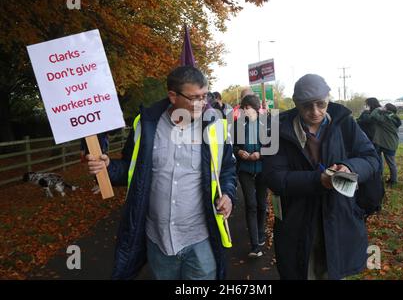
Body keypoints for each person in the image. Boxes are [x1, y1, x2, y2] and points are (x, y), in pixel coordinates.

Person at [87, 66, 237, 279]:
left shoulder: (216, 127)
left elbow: (228, 170)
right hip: (158, 241)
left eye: (204, 97)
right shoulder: (145, 126)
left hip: (201, 240)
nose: (202, 104)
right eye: (194, 98)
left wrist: (229, 195)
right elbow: (130, 170)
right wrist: (107, 167)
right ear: (172, 96)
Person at [262, 74, 380, 280]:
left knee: (333, 271)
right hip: (297, 220)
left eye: (321, 104)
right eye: (307, 106)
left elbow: (370, 158)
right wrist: (318, 180)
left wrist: (348, 167)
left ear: (329, 99)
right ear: (296, 103)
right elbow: (274, 177)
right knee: (302, 271)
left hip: (339, 216)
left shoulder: (345, 123)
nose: (315, 112)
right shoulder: (277, 129)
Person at [233, 94, 268, 258]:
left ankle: (261, 232)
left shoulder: (268, 124)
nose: (244, 111)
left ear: (255, 108)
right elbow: (232, 146)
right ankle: (255, 245)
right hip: (245, 170)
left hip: (262, 170)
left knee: (261, 204)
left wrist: (259, 154)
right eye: (243, 108)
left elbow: (273, 147)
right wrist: (239, 151)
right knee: (251, 204)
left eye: (247, 108)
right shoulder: (238, 124)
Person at [369, 103, 402, 187]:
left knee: (388, 162)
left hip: (386, 144)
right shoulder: (393, 117)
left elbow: (373, 115)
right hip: (387, 143)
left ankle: (393, 181)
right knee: (390, 162)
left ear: (387, 109)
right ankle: (390, 179)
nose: (382, 107)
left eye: (384, 107)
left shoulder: (385, 118)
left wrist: (378, 109)